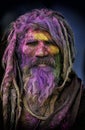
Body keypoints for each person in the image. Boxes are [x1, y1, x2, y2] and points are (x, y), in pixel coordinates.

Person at [0, 8, 85, 130]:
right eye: (32, 43)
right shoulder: (6, 101)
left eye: (50, 43)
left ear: (64, 52)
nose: (41, 53)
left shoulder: (80, 103)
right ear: (17, 52)